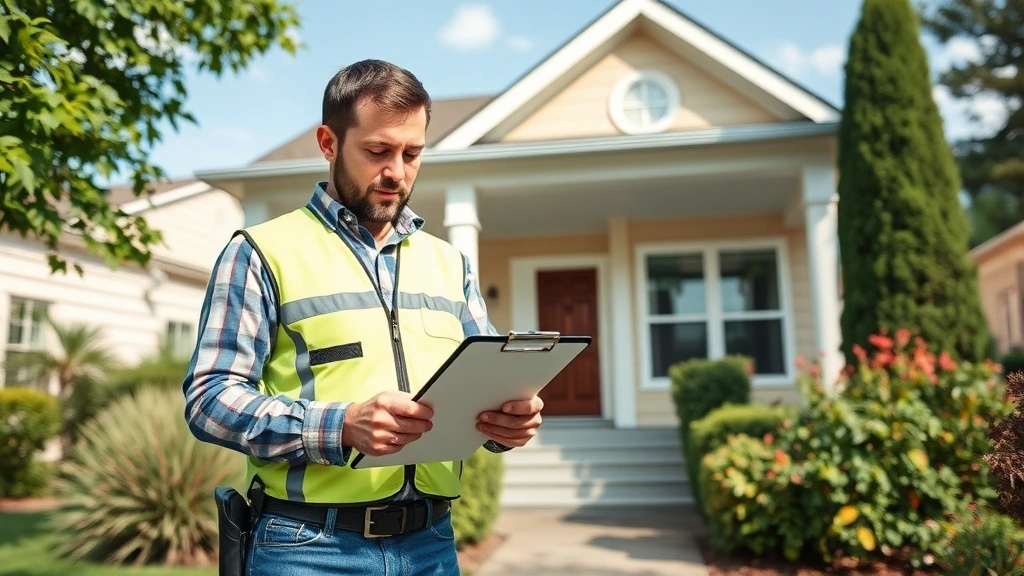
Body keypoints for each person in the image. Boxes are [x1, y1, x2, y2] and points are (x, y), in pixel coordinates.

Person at [182, 59, 545, 576]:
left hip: (433, 544)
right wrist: (340, 426)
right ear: (329, 143)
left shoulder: (450, 263)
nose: (397, 171)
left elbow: (479, 389)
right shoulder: (261, 251)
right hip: (307, 548)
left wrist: (506, 421)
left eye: (412, 154)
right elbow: (209, 398)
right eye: (378, 151)